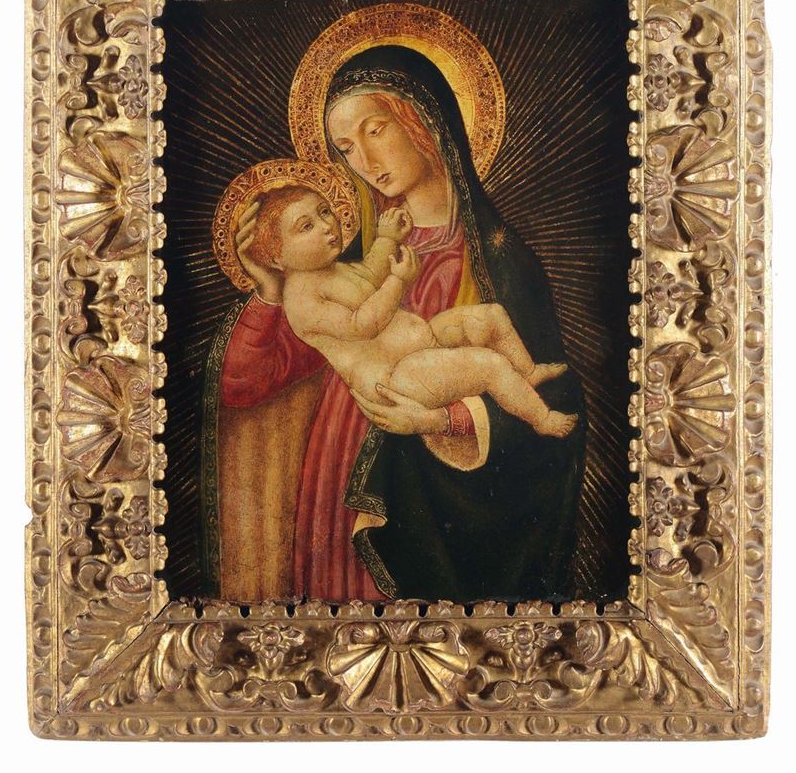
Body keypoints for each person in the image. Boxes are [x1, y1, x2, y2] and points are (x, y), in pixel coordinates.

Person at [203, 44, 586, 604]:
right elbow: (246, 386)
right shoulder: (340, 268)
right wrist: (270, 289)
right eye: (345, 147)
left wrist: (442, 420)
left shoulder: (498, 257)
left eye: (375, 130)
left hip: (439, 492)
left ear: (423, 121)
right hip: (343, 468)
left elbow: (561, 405)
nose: (362, 159)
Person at [242, 184, 576, 437]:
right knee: (490, 365)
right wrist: (399, 282)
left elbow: (369, 275)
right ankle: (543, 419)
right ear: (276, 258)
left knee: (490, 316)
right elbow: (361, 325)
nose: (327, 226)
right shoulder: (302, 301)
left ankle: (528, 372)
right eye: (306, 226)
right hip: (397, 379)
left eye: (324, 212)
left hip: (420, 347)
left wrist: (387, 238)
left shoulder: (331, 269)